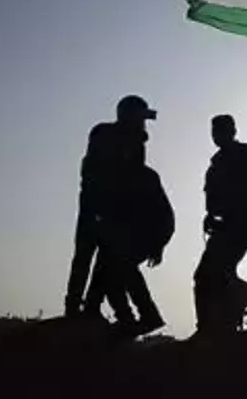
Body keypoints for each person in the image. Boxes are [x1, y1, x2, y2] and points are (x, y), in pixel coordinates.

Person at [88, 116, 174, 337]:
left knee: (119, 265)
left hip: (148, 235)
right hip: (128, 236)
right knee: (108, 269)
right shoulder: (116, 176)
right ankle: (126, 318)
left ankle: (145, 316)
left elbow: (165, 215)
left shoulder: (146, 177)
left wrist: (157, 245)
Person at [193, 114, 247, 337]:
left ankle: (216, 322)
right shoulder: (216, 163)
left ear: (233, 131)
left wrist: (238, 210)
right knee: (210, 274)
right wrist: (211, 216)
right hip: (227, 223)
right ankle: (214, 324)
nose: (217, 135)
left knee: (213, 273)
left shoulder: (245, 154)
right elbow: (212, 198)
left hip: (245, 221)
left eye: (222, 130)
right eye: (215, 131)